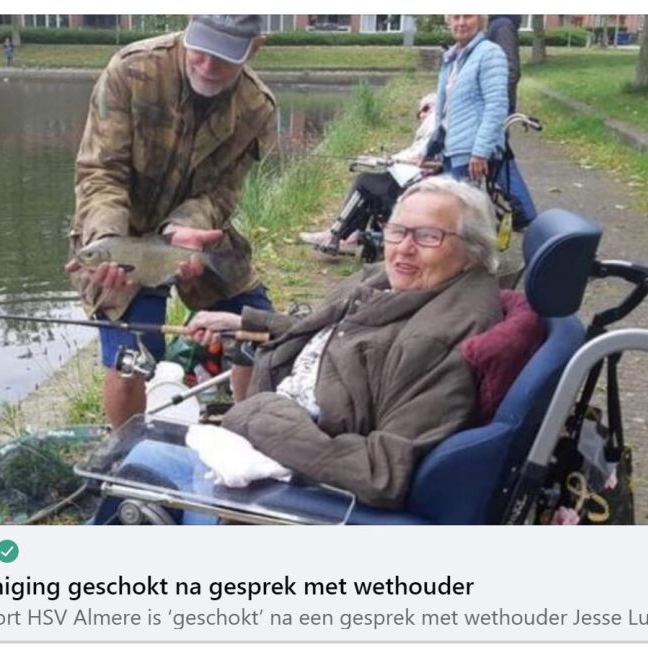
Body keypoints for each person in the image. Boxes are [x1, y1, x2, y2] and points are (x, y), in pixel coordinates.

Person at [90, 177, 501, 523]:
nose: (404, 247)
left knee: (138, 471)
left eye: (428, 236)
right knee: (137, 460)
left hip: (287, 490)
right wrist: (247, 325)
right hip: (268, 436)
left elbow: (382, 473)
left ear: (471, 251)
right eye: (397, 230)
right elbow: (339, 329)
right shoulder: (402, 283)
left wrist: (257, 418)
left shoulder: (437, 340)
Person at [65, 15, 278, 429]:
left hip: (199, 234)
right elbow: (100, 173)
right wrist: (108, 240)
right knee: (133, 360)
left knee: (263, 333)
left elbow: (222, 194)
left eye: (225, 55)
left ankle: (247, 431)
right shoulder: (131, 70)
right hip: (116, 232)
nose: (208, 65)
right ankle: (130, 453)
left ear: (255, 47)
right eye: (201, 48)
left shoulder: (257, 106)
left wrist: (184, 232)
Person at [299, 93, 437, 254]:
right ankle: (346, 236)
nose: (420, 115)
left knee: (366, 179)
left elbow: (419, 156)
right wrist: (389, 159)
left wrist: (391, 161)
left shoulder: (434, 124)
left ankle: (338, 235)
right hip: (416, 179)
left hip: (417, 184)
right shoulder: (432, 126)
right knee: (371, 180)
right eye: (418, 112)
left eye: (424, 109)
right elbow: (413, 152)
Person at [420, 15, 509, 184]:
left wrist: (480, 152)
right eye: (456, 17)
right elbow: (445, 112)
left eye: (468, 16)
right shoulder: (452, 57)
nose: (461, 22)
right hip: (450, 150)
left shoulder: (490, 53)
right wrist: (430, 149)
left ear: (480, 21)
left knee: (465, 208)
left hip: (470, 154)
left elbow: (496, 107)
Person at [485, 14, 538, 228]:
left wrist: (496, 102)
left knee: (499, 157)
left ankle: (524, 212)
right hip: (498, 104)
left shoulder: (502, 25)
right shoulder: (497, 24)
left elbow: (511, 69)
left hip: (498, 106)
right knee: (497, 157)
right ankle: (522, 212)